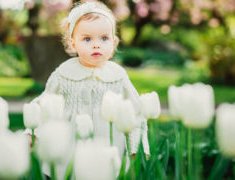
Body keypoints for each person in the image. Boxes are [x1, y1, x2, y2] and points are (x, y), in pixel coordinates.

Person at [31, 1, 150, 179]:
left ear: (114, 42)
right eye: (87, 39)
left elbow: (135, 110)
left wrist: (135, 146)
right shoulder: (64, 73)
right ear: (73, 43)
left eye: (104, 38)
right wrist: (33, 132)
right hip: (70, 144)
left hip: (108, 142)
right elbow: (45, 102)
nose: (96, 45)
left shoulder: (118, 75)